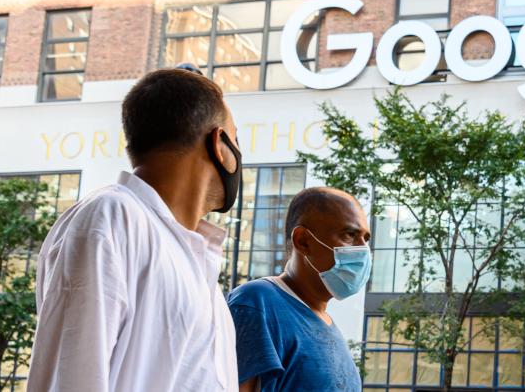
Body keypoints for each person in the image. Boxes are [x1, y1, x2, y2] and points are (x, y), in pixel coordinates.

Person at [28, 67, 241, 392]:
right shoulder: (111, 217)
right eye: (236, 139)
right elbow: (72, 376)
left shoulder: (197, 265)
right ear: (218, 144)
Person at [228, 187, 371, 392]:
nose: (362, 249)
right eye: (350, 234)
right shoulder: (257, 303)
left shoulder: (329, 325)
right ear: (303, 241)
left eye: (366, 239)